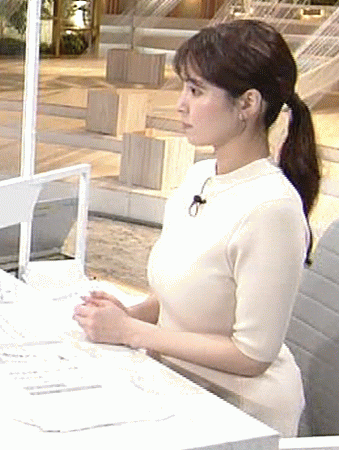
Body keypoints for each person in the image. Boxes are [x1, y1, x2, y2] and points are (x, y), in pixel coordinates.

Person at [73, 19, 320, 437]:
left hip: (239, 408)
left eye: (196, 90)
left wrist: (132, 331)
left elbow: (251, 356)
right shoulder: (200, 176)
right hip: (176, 380)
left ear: (248, 104)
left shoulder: (272, 208)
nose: (181, 105)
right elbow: (179, 295)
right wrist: (129, 314)